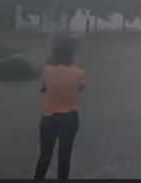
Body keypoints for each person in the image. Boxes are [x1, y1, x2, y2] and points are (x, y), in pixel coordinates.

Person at [35, 37, 86, 180]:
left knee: (44, 156)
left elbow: (45, 88)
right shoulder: (79, 73)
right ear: (73, 53)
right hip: (70, 118)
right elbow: (79, 89)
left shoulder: (48, 70)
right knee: (65, 156)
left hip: (49, 118)